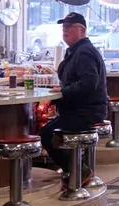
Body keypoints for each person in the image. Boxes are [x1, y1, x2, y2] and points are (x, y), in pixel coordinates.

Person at [40, 12, 109, 178]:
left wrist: (64, 91)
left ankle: (79, 171)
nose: (65, 30)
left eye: (70, 27)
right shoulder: (76, 50)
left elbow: (89, 83)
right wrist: (64, 86)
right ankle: (74, 169)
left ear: (82, 31)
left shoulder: (84, 52)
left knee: (48, 133)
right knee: (49, 129)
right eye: (64, 26)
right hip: (81, 110)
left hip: (87, 112)